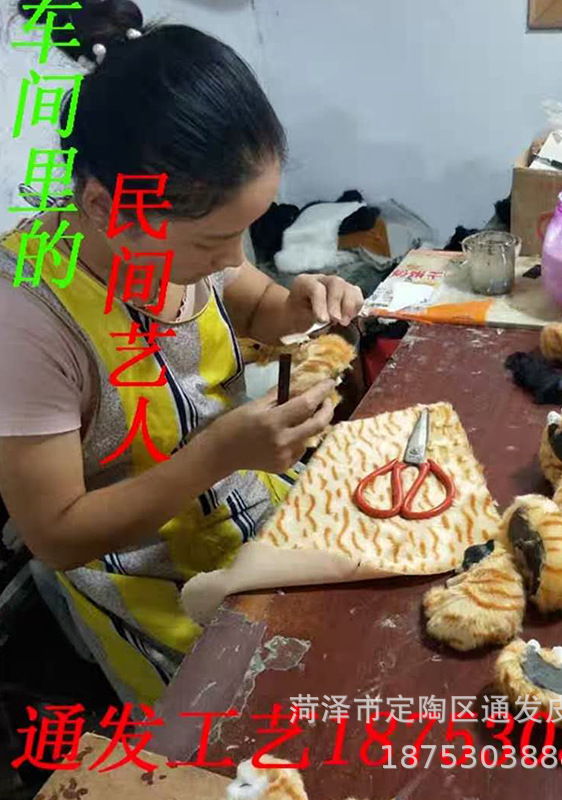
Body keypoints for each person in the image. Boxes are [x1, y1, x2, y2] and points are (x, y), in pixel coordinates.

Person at [0, 1, 364, 705]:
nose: (233, 258)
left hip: (249, 511)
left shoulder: (178, 234)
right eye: (211, 242)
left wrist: (299, 305)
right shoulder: (26, 320)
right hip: (149, 577)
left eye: (244, 230)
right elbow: (56, 535)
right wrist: (215, 456)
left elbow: (253, 301)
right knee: (272, 725)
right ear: (106, 208)